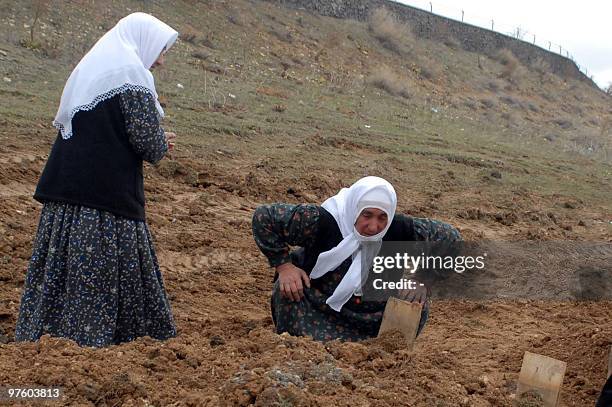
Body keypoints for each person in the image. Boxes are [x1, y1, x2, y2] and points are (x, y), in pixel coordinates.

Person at [15, 13, 179, 347]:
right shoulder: (131, 74)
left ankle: (47, 334)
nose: (160, 61)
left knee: (63, 266)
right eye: (160, 50)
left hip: (67, 185)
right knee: (99, 268)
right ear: (144, 42)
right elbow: (146, 140)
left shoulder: (99, 66)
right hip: (104, 194)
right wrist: (163, 143)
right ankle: (97, 339)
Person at [252, 176, 462, 341]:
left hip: (371, 316)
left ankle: (385, 350)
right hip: (317, 306)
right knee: (286, 287)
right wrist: (285, 266)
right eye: (367, 215)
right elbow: (264, 216)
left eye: (382, 218)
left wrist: (423, 279)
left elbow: (451, 238)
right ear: (354, 208)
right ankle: (301, 344)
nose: (374, 227)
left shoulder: (399, 229)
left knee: (417, 299)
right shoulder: (322, 222)